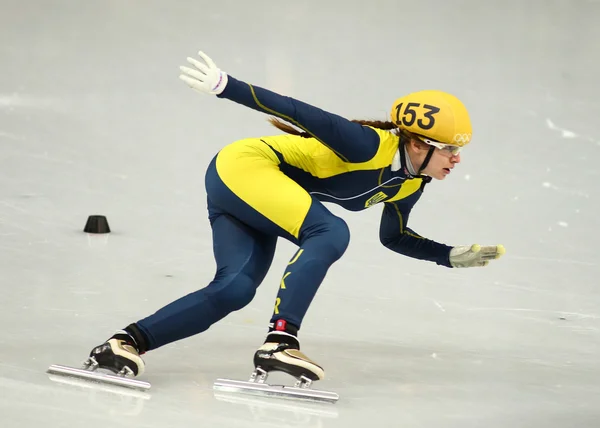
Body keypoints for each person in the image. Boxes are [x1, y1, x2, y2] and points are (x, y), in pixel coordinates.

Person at [87, 50, 505, 383]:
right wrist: (225, 86)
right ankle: (280, 341)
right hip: (246, 168)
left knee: (234, 289)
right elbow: (299, 111)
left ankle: (124, 343)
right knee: (330, 231)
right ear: (417, 144)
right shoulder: (367, 145)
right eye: (449, 148)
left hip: (257, 197)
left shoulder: (411, 183)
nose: (457, 158)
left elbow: (393, 237)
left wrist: (447, 255)